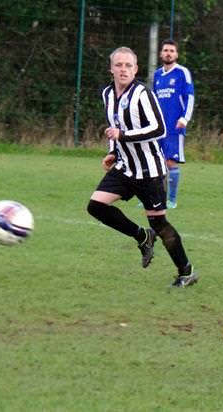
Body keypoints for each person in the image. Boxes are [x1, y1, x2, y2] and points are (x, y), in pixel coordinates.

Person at [86, 46, 198, 288]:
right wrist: (112, 151)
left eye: (128, 65)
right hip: (125, 167)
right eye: (119, 65)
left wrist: (122, 136)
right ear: (111, 69)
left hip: (150, 171)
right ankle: (142, 236)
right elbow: (113, 126)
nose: (123, 69)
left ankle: (186, 272)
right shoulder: (107, 94)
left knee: (159, 223)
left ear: (135, 69)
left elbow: (159, 129)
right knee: (95, 206)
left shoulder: (142, 94)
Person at [153, 39, 195, 209]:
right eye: (165, 50)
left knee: (170, 162)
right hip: (157, 127)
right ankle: (155, 198)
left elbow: (189, 97)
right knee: (155, 162)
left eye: (172, 50)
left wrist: (184, 118)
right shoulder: (157, 75)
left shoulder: (182, 72)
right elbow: (153, 100)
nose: (168, 53)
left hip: (174, 125)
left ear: (176, 54)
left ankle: (171, 200)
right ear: (161, 54)